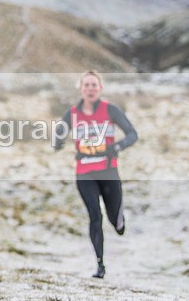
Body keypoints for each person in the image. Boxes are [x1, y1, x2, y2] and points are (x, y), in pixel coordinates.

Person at [53, 70, 138, 279]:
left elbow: (132, 134)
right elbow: (58, 135)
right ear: (81, 89)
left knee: (113, 218)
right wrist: (58, 142)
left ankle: (119, 221)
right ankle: (100, 264)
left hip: (108, 171)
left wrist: (116, 147)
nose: (90, 89)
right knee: (95, 215)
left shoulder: (110, 110)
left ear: (100, 88)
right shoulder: (72, 113)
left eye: (94, 85)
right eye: (86, 85)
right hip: (84, 173)